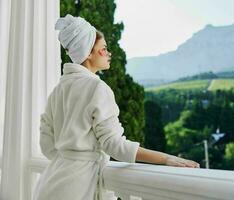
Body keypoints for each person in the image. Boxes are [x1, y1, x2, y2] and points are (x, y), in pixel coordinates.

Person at [33, 14, 200, 200]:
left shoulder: (59, 89)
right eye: (103, 49)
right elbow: (114, 145)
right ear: (88, 52)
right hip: (77, 188)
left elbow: (46, 144)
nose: (109, 53)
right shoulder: (97, 88)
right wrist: (166, 159)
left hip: (51, 182)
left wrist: (68, 157)